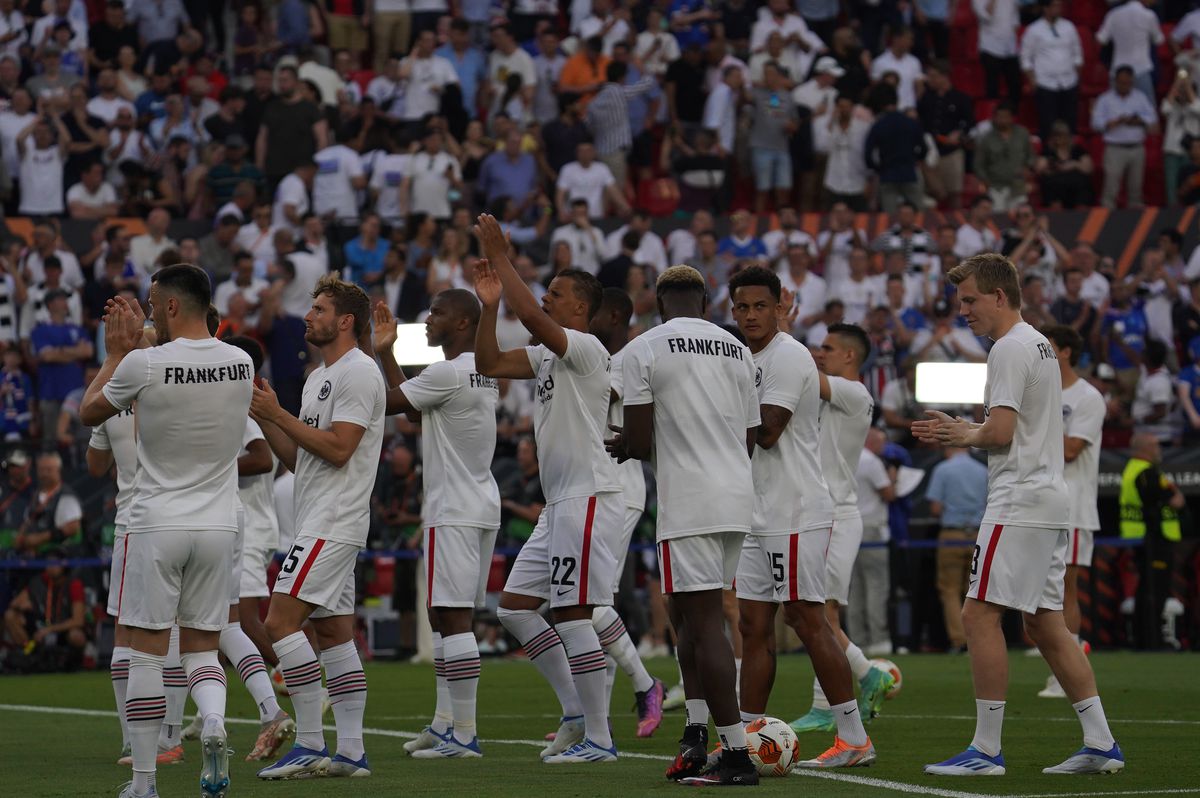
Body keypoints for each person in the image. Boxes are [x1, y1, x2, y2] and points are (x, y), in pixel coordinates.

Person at [916, 253, 1124, 777]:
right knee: (1045, 621)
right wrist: (970, 426)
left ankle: (986, 751)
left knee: (977, 615)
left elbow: (1002, 433)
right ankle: (1101, 743)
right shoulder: (1035, 342)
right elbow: (1017, 425)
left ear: (999, 296)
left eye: (969, 300)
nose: (963, 311)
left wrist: (960, 432)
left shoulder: (1009, 348)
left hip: (1020, 499)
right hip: (1050, 499)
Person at [79, 265, 255, 798]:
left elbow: (89, 410)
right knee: (203, 648)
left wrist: (115, 353)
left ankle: (145, 780)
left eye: (155, 301)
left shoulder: (143, 364)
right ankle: (217, 722)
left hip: (157, 523)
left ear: (174, 306)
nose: (150, 309)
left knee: (148, 652)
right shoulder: (241, 362)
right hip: (219, 524)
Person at [472, 213, 623, 763]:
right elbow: (487, 360)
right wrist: (490, 306)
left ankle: (600, 739)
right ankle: (576, 711)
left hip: (587, 497)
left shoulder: (585, 349)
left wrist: (503, 258)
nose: (547, 298)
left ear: (580, 309)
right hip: (560, 502)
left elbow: (532, 317)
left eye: (557, 293)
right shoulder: (548, 356)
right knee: (514, 607)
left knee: (573, 613)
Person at [603, 264, 758, 786]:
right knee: (689, 618)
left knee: (704, 622)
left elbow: (640, 441)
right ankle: (694, 733)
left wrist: (621, 444)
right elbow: (752, 434)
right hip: (736, 495)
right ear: (706, 300)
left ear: (659, 301)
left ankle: (735, 753)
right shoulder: (735, 347)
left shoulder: (648, 346)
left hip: (689, 498)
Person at [726, 268, 876, 769]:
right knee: (752, 626)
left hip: (794, 508)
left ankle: (854, 739)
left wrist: (703, 419)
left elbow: (768, 431)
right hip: (755, 508)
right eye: (742, 307)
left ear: (777, 309)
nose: (750, 315)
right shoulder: (743, 356)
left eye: (760, 306)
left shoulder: (789, 356)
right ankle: (745, 739)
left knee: (808, 620)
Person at [250, 275, 385, 780]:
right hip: (320, 514)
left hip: (332, 519)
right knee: (333, 634)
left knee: (279, 624)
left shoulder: (359, 373)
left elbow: (340, 448)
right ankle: (351, 751)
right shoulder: (318, 376)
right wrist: (266, 416)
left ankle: (308, 742)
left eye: (319, 308)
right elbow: (301, 459)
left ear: (345, 321)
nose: (308, 316)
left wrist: (279, 413)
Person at [372, 291, 500, 759]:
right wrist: (387, 353)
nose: (428, 319)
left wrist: (361, 362)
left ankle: (463, 734)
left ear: (464, 322)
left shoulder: (448, 371)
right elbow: (411, 409)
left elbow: (387, 404)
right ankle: (445, 723)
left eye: (438, 312)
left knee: (454, 616)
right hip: (476, 503)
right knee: (441, 614)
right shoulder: (477, 372)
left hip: (455, 508)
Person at [787, 319, 893, 738]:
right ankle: (868, 676)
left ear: (849, 356)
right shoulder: (831, 394)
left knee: (820, 613)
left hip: (836, 515)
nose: (819, 353)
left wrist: (781, 333)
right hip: (819, 512)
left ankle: (827, 705)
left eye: (827, 348)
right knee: (804, 613)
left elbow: (800, 373)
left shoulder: (853, 391)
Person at [589, 287, 666, 737]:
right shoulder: (599, 354)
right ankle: (596, 718)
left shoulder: (628, 357)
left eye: (590, 307)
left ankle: (645, 684)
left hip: (617, 487)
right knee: (596, 601)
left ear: (614, 314)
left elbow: (598, 397)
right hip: (596, 487)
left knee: (592, 602)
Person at [1037, 325, 1106, 698]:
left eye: (1045, 347)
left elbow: (1071, 449)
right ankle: (1060, 670)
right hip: (1043, 500)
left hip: (1074, 505)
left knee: (1067, 586)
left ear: (1064, 352)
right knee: (1044, 590)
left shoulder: (1088, 397)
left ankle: (1068, 674)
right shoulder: (1041, 392)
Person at [925, 445, 989, 652]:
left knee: (949, 590)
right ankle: (980, 638)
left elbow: (935, 509)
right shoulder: (982, 470)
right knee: (975, 590)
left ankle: (960, 640)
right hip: (979, 534)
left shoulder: (943, 469)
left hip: (952, 534)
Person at [1091, 66, 1158, 209]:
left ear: (1132, 81)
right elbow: (1096, 123)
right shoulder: (1105, 99)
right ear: (1115, 81)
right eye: (1121, 82)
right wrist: (1113, 122)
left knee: (1136, 189)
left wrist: (1136, 121)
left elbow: (1152, 118)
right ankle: (1105, 219)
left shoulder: (1140, 97)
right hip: (1115, 148)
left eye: (1127, 82)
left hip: (1137, 147)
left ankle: (1136, 223)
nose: (1124, 86)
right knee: (1111, 188)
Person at [1020, 0, 1082, 141]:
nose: (1058, 9)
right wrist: (1033, 80)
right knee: (1048, 126)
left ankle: (1070, 156)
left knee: (1070, 124)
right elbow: (1025, 57)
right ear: (1046, 8)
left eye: (1059, 6)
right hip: (1045, 84)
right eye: (1055, 6)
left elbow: (1077, 53)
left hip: (1069, 83)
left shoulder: (1069, 27)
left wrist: (1076, 76)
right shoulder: (1034, 30)